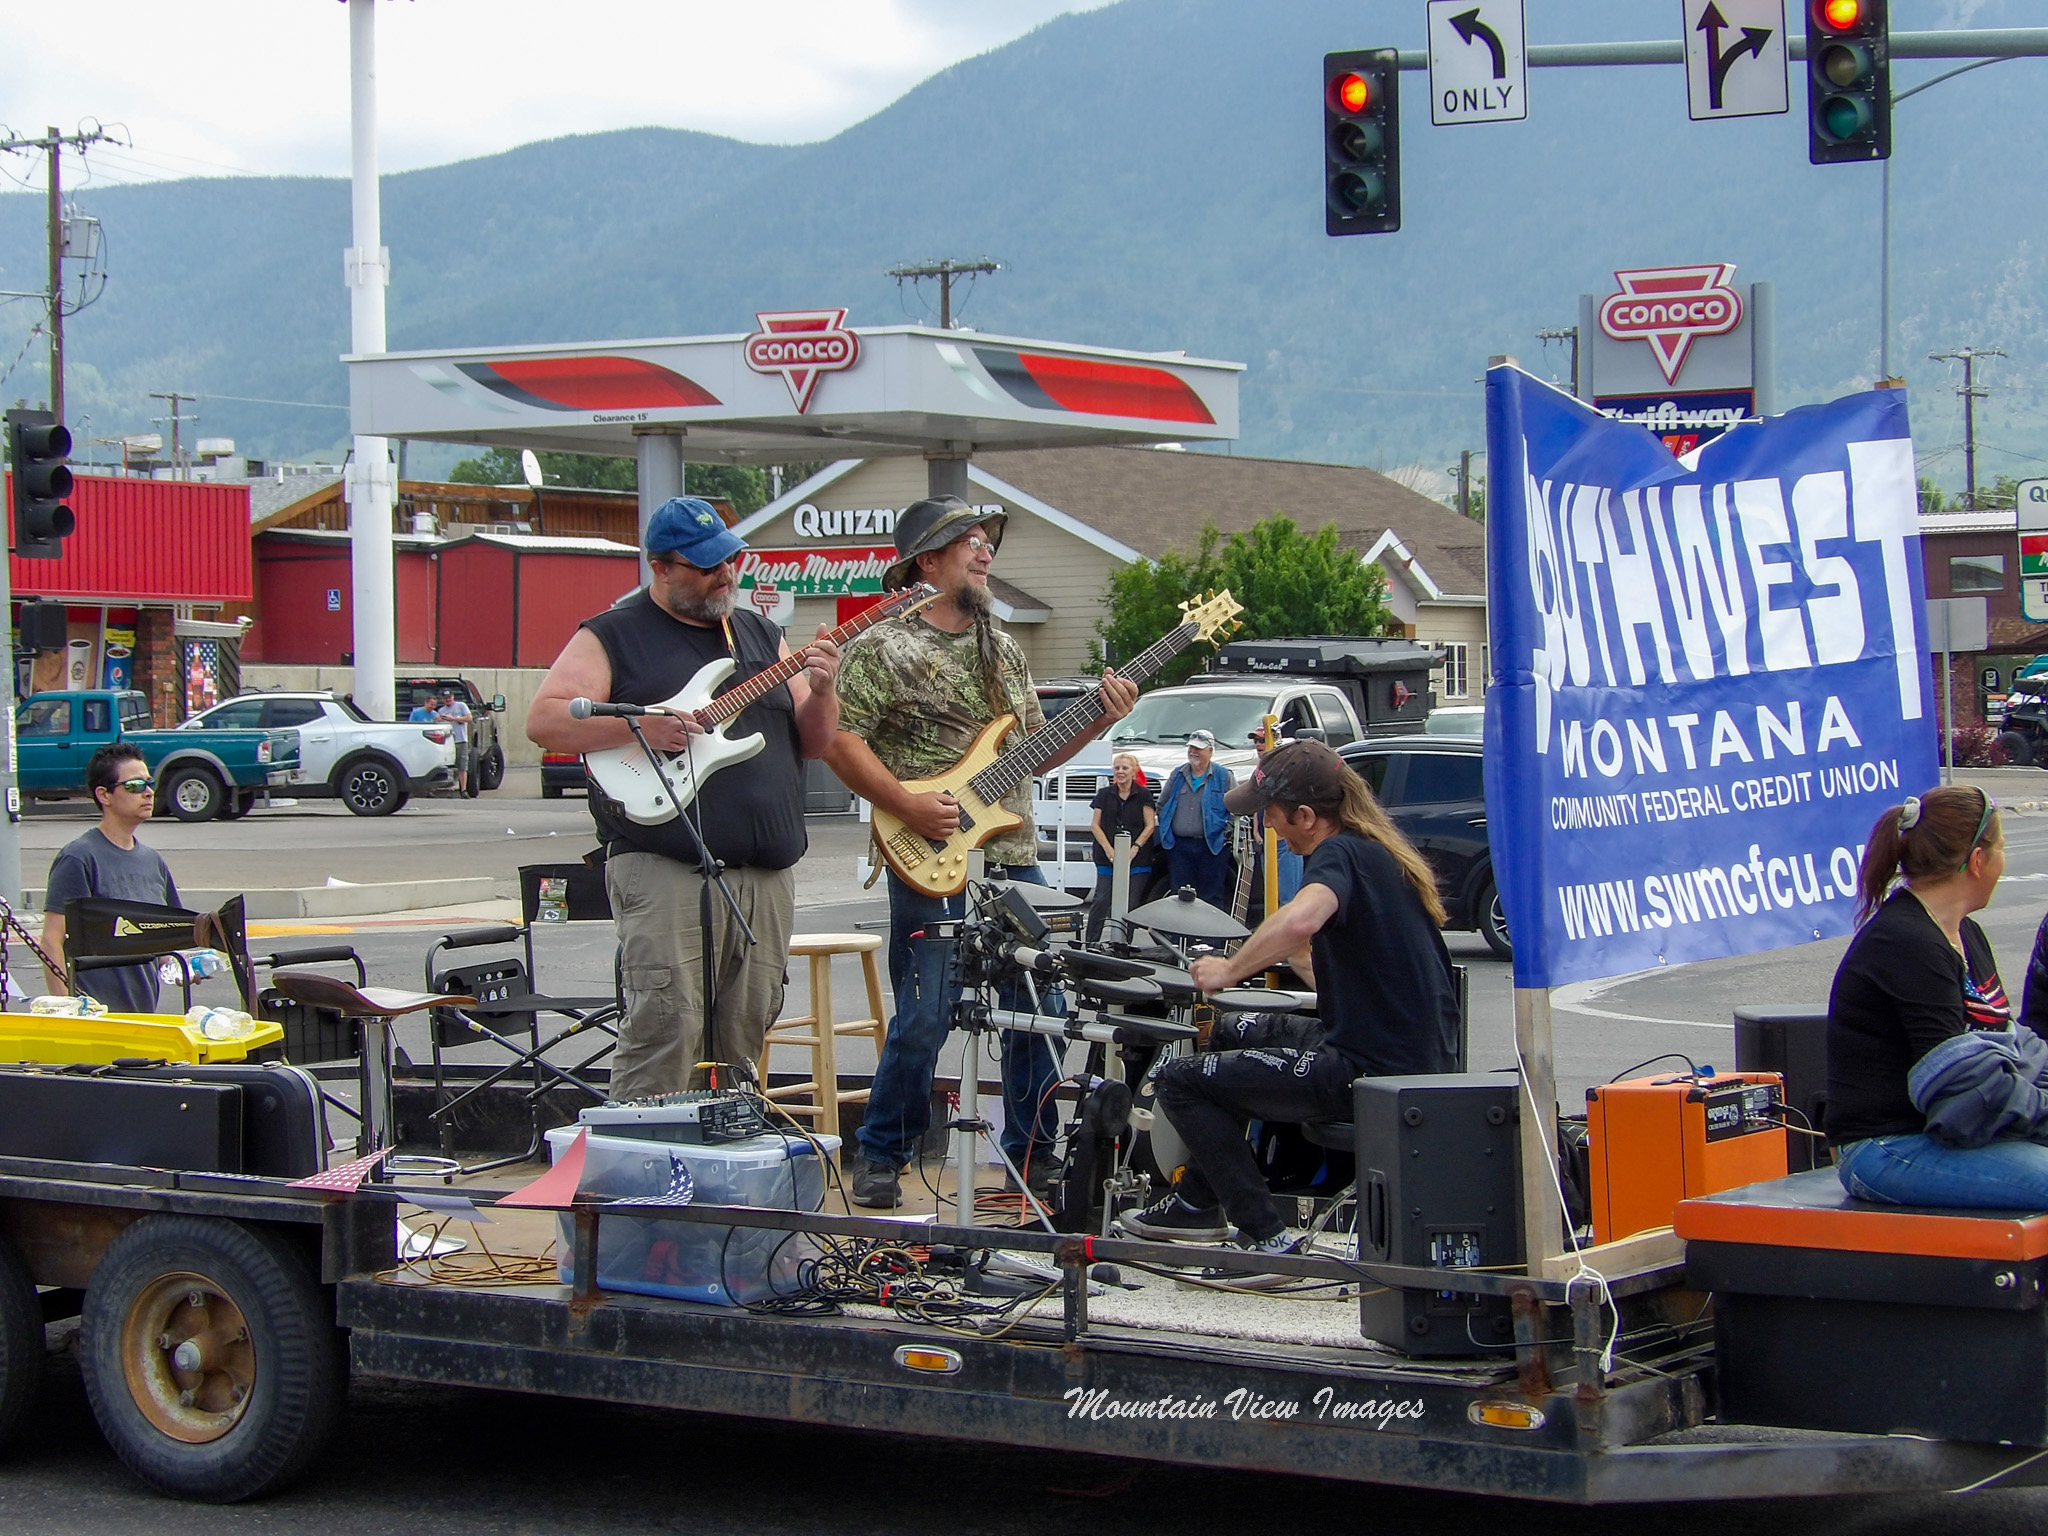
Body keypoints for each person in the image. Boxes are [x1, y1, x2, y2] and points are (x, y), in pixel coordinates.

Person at [826, 494, 1137, 1208]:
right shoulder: (883, 645)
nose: (985, 551)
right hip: (928, 850)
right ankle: (882, 1152)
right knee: (926, 1013)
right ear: (927, 562)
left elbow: (1036, 752)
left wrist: (1099, 718)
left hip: (1012, 851)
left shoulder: (1005, 648)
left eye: (985, 541)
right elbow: (839, 742)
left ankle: (1035, 1155)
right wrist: (907, 803)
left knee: (1039, 1004)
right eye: (969, 541)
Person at [527, 496, 842, 1103]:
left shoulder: (760, 634)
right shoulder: (613, 634)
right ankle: (641, 1160)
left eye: (729, 561)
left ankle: (725, 1154)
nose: (724, 574)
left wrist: (824, 691)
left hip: (763, 877)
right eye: (705, 566)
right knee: (664, 1032)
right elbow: (545, 721)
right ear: (661, 568)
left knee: (745, 1037)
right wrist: (640, 726)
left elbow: (815, 741)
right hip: (666, 868)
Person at [1123, 740, 1460, 1264]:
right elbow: (1326, 959)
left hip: (1368, 1071)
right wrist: (1293, 959)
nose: (1267, 826)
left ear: (1305, 816)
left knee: (1180, 1081)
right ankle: (1195, 1203)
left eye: (1271, 815)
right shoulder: (1377, 854)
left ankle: (1267, 1235)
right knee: (1232, 1029)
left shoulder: (1337, 853)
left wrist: (1229, 970)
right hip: (1402, 1053)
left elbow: (1302, 920)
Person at [1825, 786, 2048, 1208]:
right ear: (1978, 861)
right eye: (2001, 848)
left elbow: (2017, 1051)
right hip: (1887, 1146)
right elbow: (1963, 1094)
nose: (2003, 859)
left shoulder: (1966, 934)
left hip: (1946, 1130)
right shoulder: (1906, 942)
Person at [41, 744, 182, 1012]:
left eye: (150, 783)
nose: (148, 792)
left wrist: (182, 967)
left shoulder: (153, 862)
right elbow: (51, 941)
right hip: (96, 1021)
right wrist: (68, 1011)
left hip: (144, 1018)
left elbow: (164, 943)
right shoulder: (78, 858)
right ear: (104, 795)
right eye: (135, 786)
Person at [1154, 730, 1234, 907]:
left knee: (1211, 896)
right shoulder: (1177, 774)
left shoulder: (1224, 776)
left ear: (1210, 751)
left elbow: (1235, 810)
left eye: (1198, 748)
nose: (1193, 752)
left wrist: (1225, 834)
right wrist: (1168, 832)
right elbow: (1161, 805)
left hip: (1212, 847)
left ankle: (1210, 927)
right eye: (1191, 747)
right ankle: (1178, 927)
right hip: (1179, 847)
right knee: (1179, 895)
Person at [1085, 752, 1156, 941]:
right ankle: (1091, 943)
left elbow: (1150, 825)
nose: (1120, 771)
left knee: (1130, 903)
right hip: (1107, 856)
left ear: (1134, 771)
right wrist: (1109, 850)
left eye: (1125, 768)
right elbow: (1095, 825)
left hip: (1137, 858)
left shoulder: (1144, 795)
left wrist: (1135, 848)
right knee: (1101, 900)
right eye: (1117, 768)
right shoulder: (1104, 794)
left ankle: (1123, 944)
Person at [436, 689, 475, 794]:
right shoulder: (441, 711)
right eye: (445, 698)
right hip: (448, 742)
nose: (448, 700)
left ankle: (463, 789)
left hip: (461, 740)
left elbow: (469, 718)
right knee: (451, 766)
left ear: (453, 697)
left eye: (449, 697)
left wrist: (453, 719)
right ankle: (451, 788)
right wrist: (438, 719)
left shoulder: (461, 706)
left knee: (462, 765)